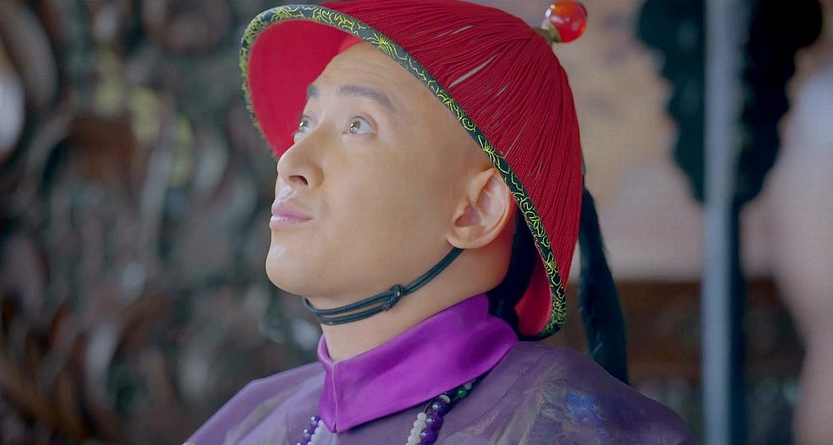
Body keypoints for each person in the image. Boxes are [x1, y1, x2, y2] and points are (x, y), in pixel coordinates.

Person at [186, 1, 697, 443]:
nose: (290, 161)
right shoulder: (253, 419)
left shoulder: (569, 426)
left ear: (478, 209)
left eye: (358, 125)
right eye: (306, 122)